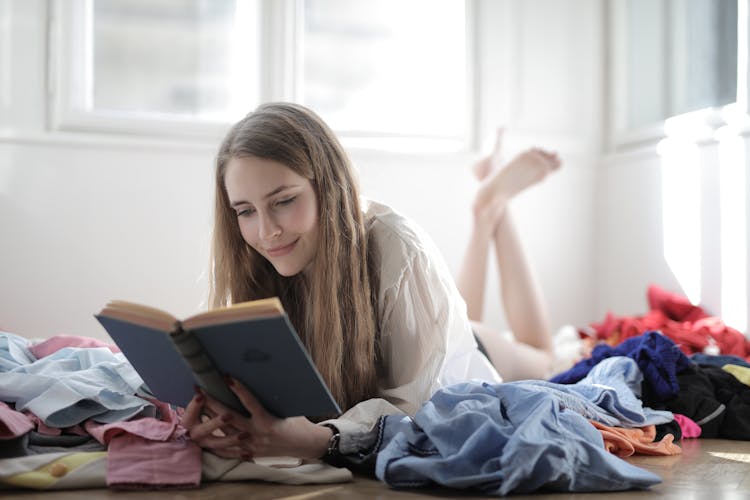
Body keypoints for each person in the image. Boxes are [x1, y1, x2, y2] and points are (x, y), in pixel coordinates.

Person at [182, 102, 560, 462]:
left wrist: (319, 439)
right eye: (245, 211)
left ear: (326, 186)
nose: (266, 232)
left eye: (283, 201)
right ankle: (486, 205)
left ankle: (491, 206)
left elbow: (421, 406)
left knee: (544, 357)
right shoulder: (253, 260)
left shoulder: (397, 247)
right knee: (458, 315)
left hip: (460, 359)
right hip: (434, 334)